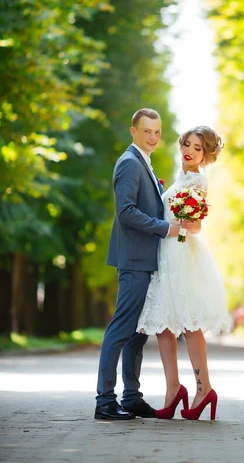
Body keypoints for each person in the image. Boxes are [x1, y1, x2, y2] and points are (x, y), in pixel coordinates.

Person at [137, 126, 231, 421]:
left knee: (190, 324)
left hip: (182, 256)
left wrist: (189, 222)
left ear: (206, 155)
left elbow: (198, 225)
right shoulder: (180, 178)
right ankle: (173, 389)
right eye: (187, 144)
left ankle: (204, 389)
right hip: (165, 254)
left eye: (198, 148)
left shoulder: (198, 180)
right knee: (164, 326)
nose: (189, 150)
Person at [94, 108, 180, 421]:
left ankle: (131, 397)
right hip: (133, 260)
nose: (153, 138)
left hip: (146, 260)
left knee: (137, 334)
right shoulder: (129, 163)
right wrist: (165, 228)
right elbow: (126, 212)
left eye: (157, 132)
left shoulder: (144, 161)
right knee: (121, 329)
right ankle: (105, 402)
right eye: (147, 131)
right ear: (134, 131)